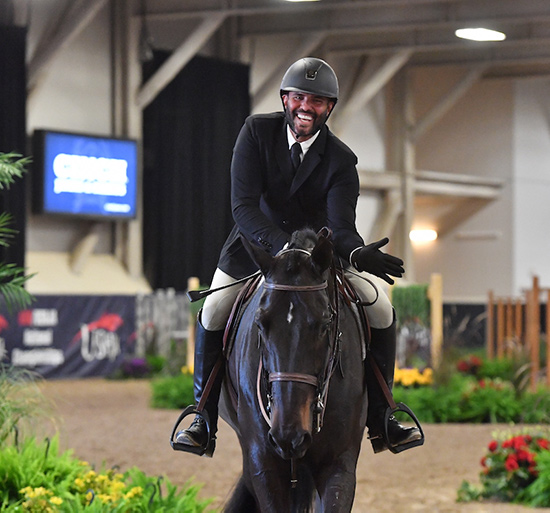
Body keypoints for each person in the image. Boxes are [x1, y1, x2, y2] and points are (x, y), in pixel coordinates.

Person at [175, 57, 422, 456]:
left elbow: (340, 227)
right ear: (285, 99)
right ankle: (202, 418)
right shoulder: (256, 132)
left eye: (318, 101)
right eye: (299, 97)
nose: (306, 107)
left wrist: (357, 252)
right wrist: (283, 246)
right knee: (213, 310)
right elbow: (243, 207)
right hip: (256, 250)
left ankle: (384, 417)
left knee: (381, 309)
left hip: (319, 260)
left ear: (330, 108)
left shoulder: (342, 160)